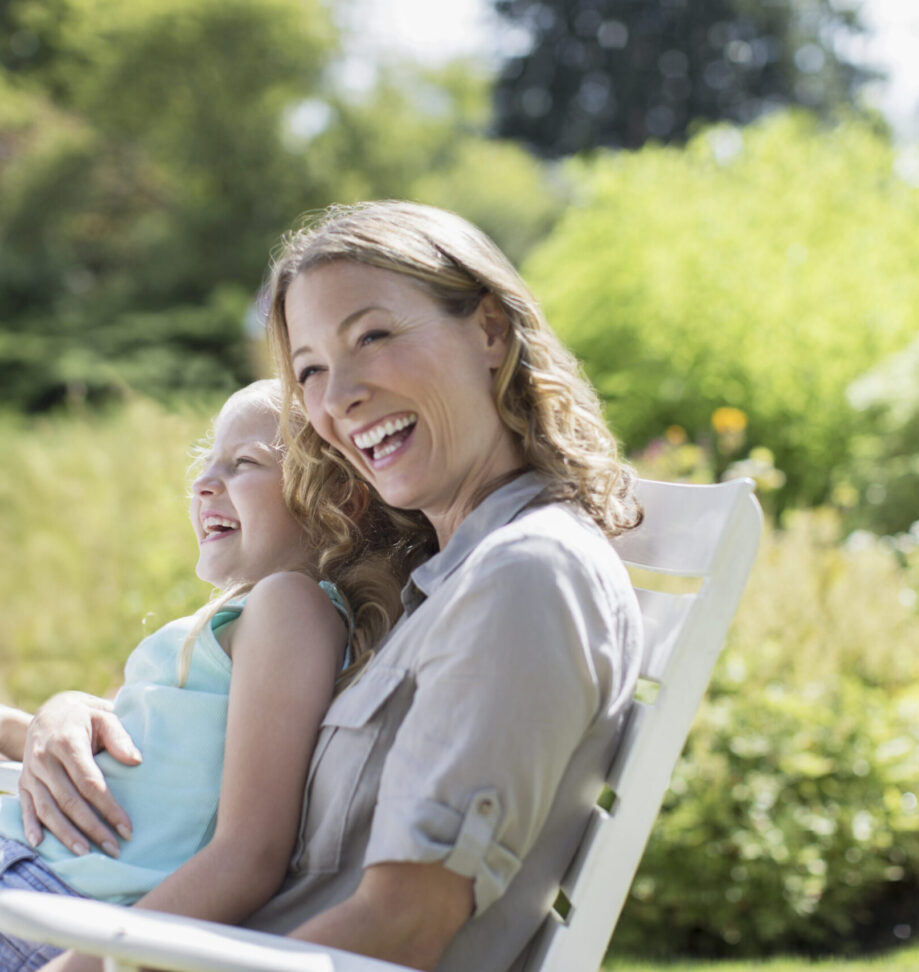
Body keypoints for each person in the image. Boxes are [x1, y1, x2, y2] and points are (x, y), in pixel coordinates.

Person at [28, 201, 643, 972]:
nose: (337, 397)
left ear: (490, 330)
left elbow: (403, 927)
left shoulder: (522, 575)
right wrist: (70, 715)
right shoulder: (435, 583)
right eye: (311, 369)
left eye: (373, 336)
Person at [0, 379, 407, 971]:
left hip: (50, 900)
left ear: (338, 498)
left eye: (243, 463)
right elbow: (140, 751)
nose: (203, 482)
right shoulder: (252, 616)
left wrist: (87, 964)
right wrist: (57, 710)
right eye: (204, 461)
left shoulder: (290, 607)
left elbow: (247, 855)